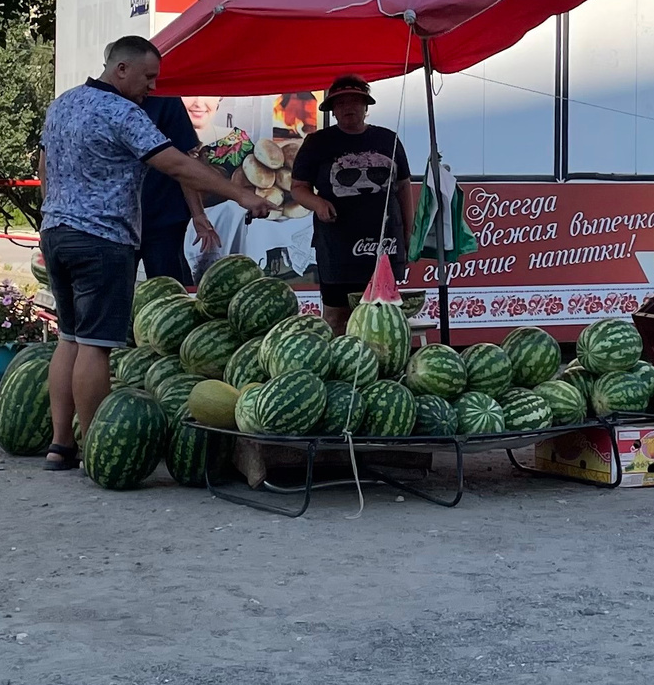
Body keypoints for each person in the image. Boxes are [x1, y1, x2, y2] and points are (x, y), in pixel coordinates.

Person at [37, 36, 272, 471]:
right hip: (102, 239)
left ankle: (60, 445)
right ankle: (97, 447)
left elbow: (45, 165)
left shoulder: (63, 104)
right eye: (148, 77)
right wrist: (238, 195)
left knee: (68, 338)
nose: (153, 87)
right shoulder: (123, 112)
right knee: (96, 346)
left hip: (57, 234)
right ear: (120, 70)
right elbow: (178, 164)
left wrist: (55, 211)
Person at [288, 75, 417, 333]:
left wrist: (408, 232)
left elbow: (403, 186)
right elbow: (298, 188)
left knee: (383, 315)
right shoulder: (317, 143)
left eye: (355, 102)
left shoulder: (388, 139)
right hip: (337, 247)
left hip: (384, 244)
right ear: (333, 110)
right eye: (342, 102)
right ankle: (337, 365)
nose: (349, 107)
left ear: (366, 107)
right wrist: (318, 203)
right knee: (336, 315)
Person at [136, 91, 219, 285]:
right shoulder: (100, 101)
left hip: (163, 219)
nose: (151, 84)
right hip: (116, 223)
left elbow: (183, 161)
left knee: (171, 289)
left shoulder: (165, 100)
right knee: (115, 297)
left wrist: (198, 214)